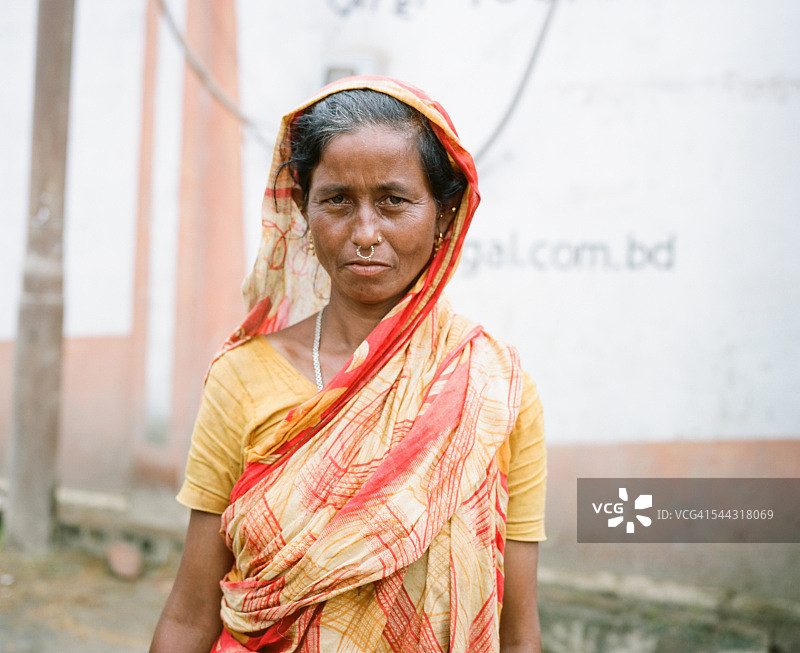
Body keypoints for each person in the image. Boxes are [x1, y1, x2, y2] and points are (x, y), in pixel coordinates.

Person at [150, 76, 546, 653]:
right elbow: (190, 616)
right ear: (304, 214)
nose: (365, 232)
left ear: (443, 216)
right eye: (337, 200)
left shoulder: (492, 388)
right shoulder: (241, 377)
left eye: (394, 201)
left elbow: (519, 633)